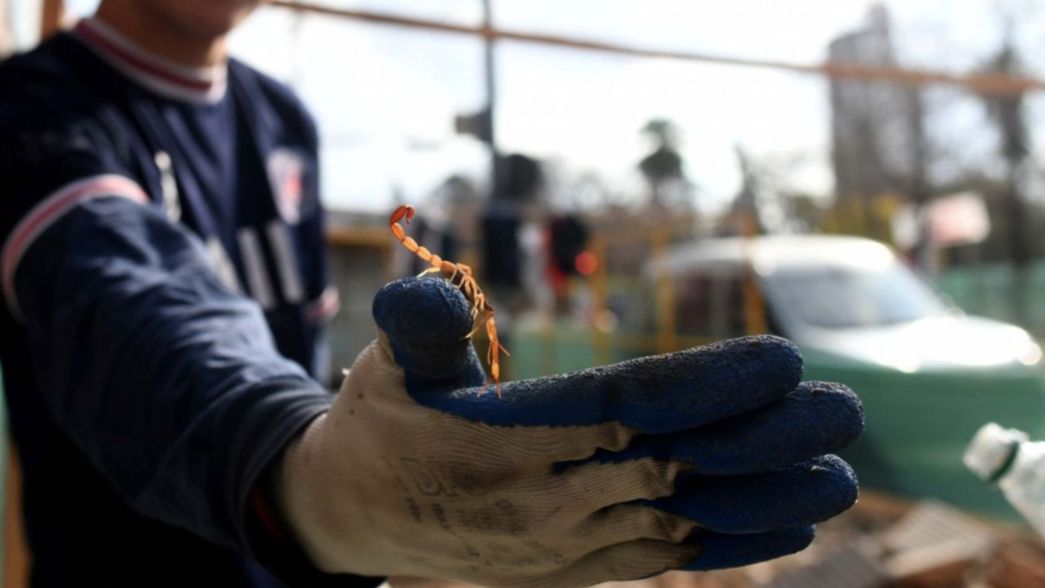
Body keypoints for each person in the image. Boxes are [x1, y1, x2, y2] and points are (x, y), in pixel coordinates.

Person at [0, 1, 864, 587]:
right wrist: (312, 479)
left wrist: (386, 511)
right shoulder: (32, 108)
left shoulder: (281, 120)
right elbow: (130, 307)